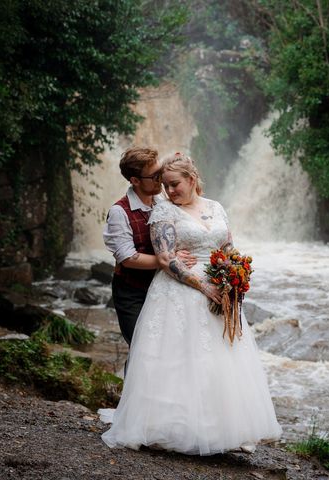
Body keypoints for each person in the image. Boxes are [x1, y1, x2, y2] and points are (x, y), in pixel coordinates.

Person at [99, 153, 282, 455]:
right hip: (179, 293)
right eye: (165, 185)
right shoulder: (163, 212)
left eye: (174, 184)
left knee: (222, 360)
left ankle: (228, 431)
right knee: (180, 361)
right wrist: (205, 287)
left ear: (192, 180)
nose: (169, 191)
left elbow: (227, 248)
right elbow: (167, 259)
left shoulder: (216, 207)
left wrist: (233, 278)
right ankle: (176, 428)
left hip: (218, 290)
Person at [103, 147, 196, 348]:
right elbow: (128, 258)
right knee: (142, 350)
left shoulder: (163, 200)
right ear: (135, 180)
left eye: (160, 172)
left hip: (164, 287)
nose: (160, 179)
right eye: (154, 176)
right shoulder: (119, 212)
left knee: (168, 349)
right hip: (133, 294)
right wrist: (170, 261)